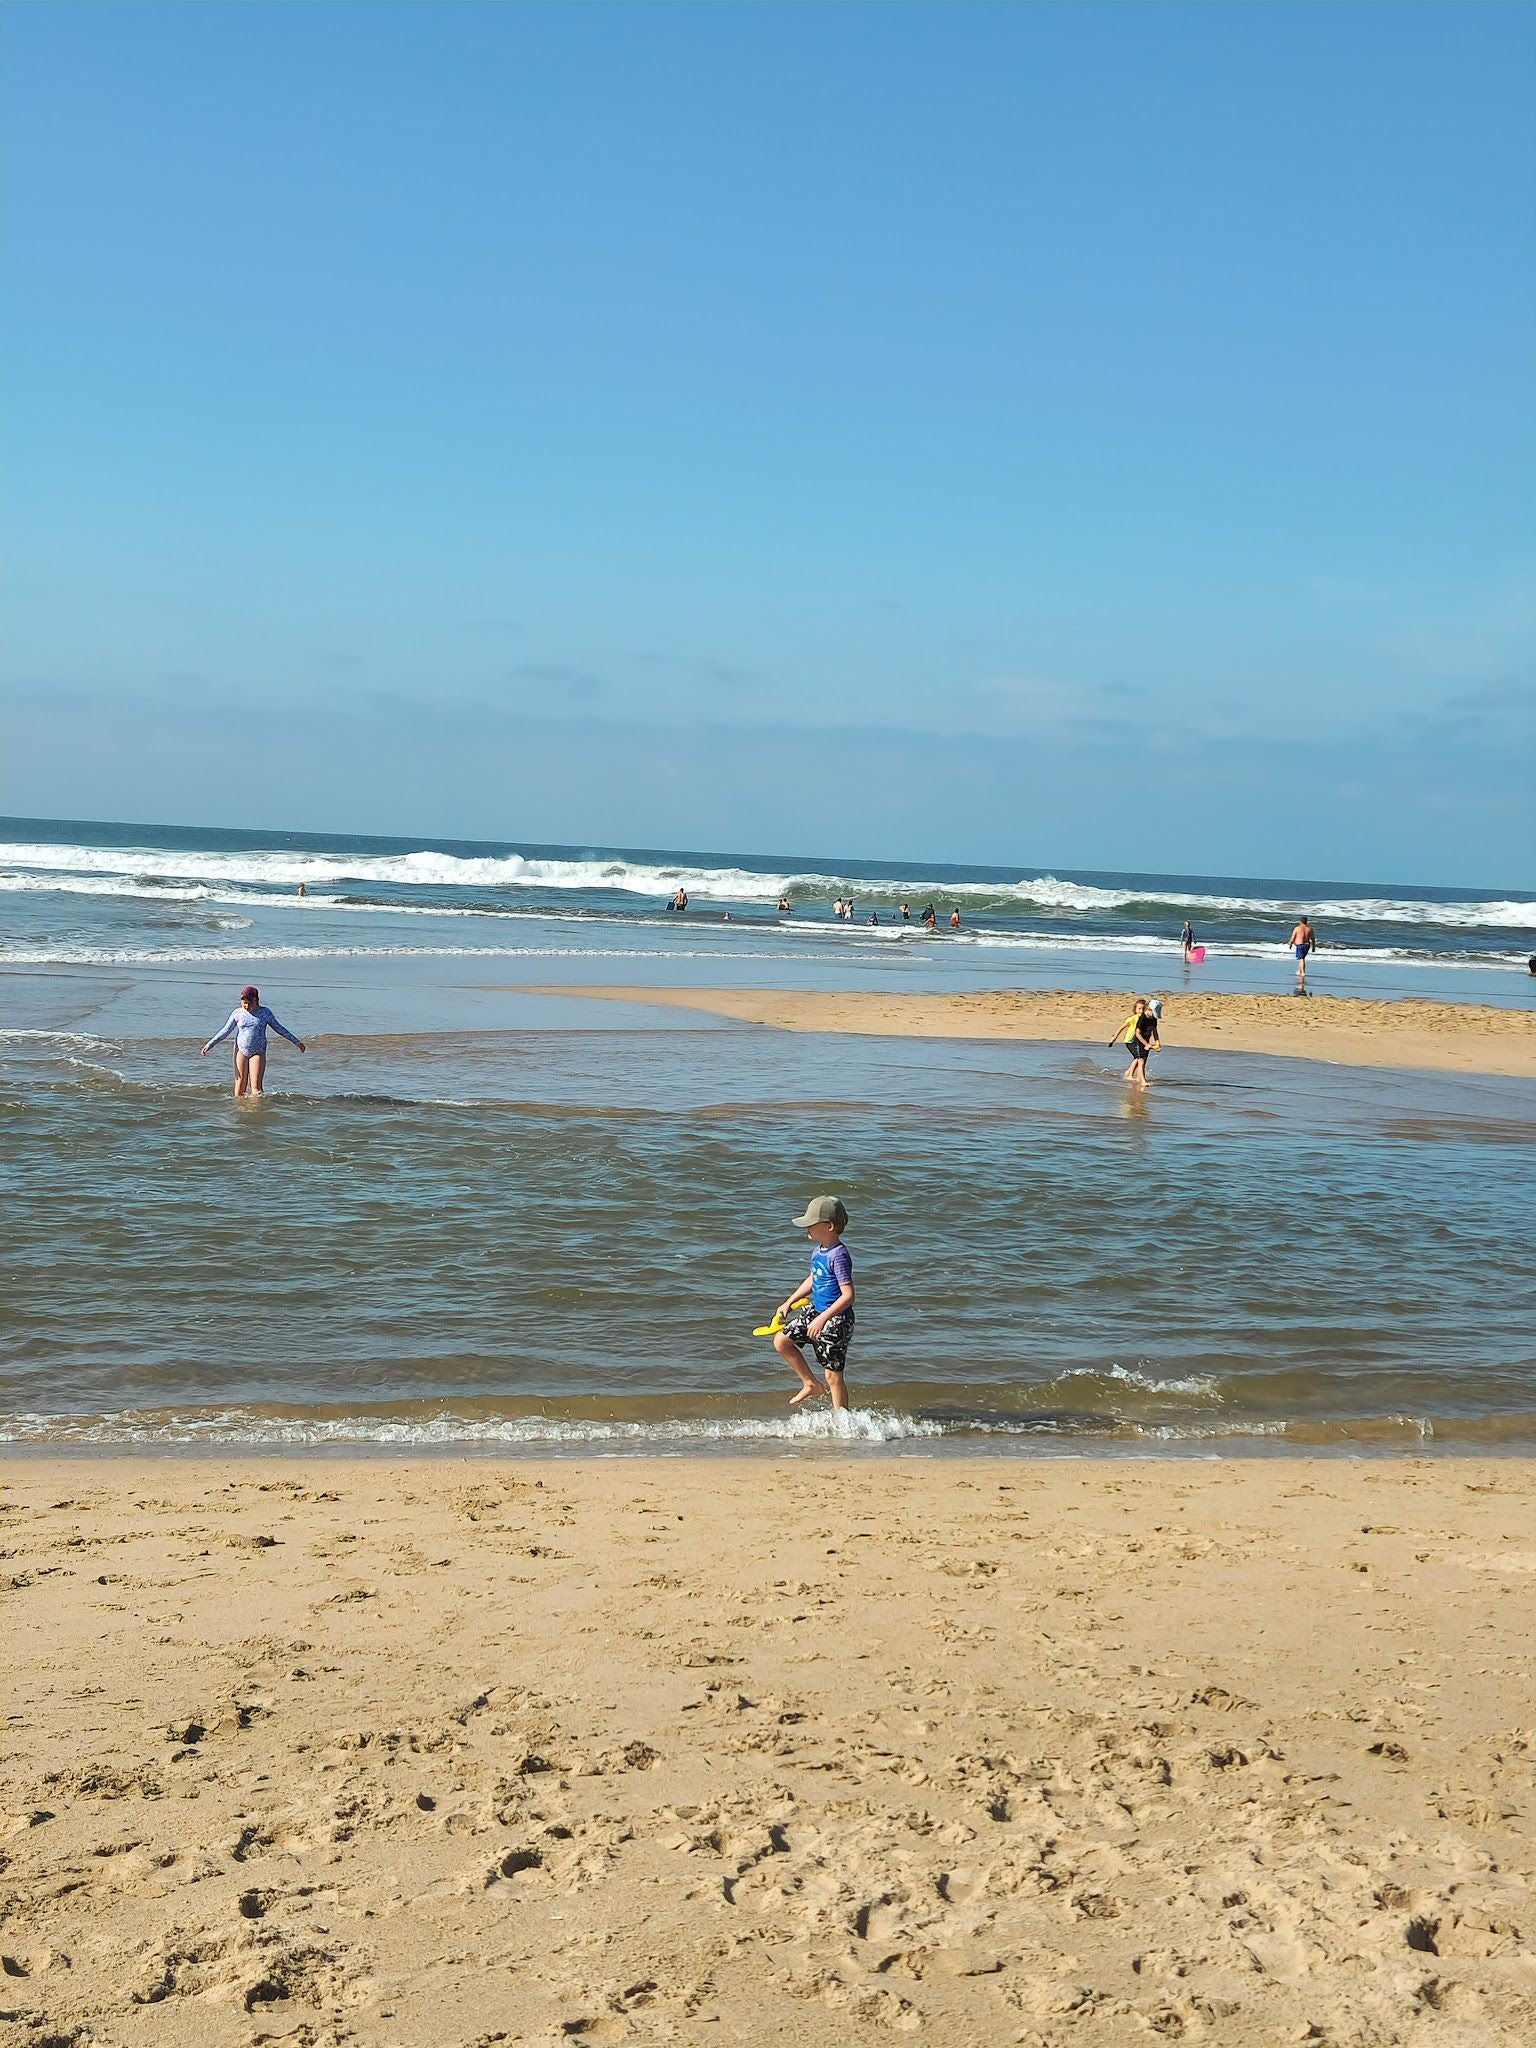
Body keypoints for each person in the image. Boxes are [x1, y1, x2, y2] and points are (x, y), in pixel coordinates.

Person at [770, 1195, 855, 1410]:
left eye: (811, 1224)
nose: (806, 1228)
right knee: (782, 1341)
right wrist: (789, 1302)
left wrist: (822, 1320)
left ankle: (842, 1420)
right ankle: (810, 1383)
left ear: (828, 1226)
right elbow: (813, 1278)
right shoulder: (819, 1251)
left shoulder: (839, 1255)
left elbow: (848, 1296)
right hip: (816, 1311)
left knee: (833, 1376)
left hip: (836, 1319)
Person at [201, 985, 305, 1097]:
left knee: (256, 1087)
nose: (246, 1006)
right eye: (244, 1002)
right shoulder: (237, 1013)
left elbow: (279, 1028)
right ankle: (240, 1110)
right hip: (241, 1051)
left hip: (258, 1052)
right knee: (240, 1085)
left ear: (256, 1000)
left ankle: (256, 1110)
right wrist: (210, 1044)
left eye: (249, 1003)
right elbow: (225, 1031)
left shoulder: (265, 1013)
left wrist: (297, 1042)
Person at [1110, 997, 1158, 1088]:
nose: (1141, 1011)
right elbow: (1121, 1028)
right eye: (1139, 1009)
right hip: (1130, 1041)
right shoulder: (1132, 1019)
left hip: (1139, 1041)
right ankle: (1130, 1074)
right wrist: (1114, 1037)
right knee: (1138, 1058)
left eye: (1143, 1009)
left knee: (1138, 1058)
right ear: (1135, 1009)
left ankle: (1129, 1073)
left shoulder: (1145, 1018)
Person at [1287, 914, 1317, 991]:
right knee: (1301, 958)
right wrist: (1313, 947)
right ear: (1306, 922)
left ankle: (1303, 972)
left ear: (1300, 922)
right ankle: (1299, 971)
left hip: (1300, 945)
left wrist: (1290, 943)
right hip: (1307, 945)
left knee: (1301, 958)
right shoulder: (1310, 929)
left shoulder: (1297, 928)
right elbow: (1313, 939)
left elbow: (1293, 937)